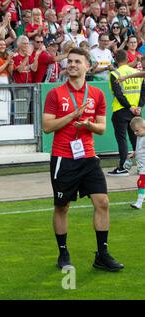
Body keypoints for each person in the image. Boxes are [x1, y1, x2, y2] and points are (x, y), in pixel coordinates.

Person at [42, 47, 124, 272]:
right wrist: (72, 115)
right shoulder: (55, 94)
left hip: (88, 156)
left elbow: (102, 127)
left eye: (77, 61)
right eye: (69, 61)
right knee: (62, 207)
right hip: (63, 158)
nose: (72, 65)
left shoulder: (97, 94)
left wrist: (89, 126)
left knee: (103, 202)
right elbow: (47, 127)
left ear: (87, 66)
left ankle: (102, 254)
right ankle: (63, 253)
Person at [107, 49, 145, 176]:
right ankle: (141, 167)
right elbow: (143, 91)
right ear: (128, 59)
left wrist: (129, 107)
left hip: (121, 110)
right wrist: (139, 106)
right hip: (136, 111)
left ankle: (123, 167)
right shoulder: (137, 72)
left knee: (122, 139)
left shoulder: (115, 73)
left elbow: (118, 94)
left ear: (116, 60)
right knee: (138, 140)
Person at [129, 116, 145, 209]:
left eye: (136, 131)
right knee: (141, 182)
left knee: (141, 182)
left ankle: (139, 203)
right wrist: (135, 153)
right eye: (133, 131)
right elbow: (140, 148)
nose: (135, 133)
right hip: (141, 165)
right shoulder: (140, 135)